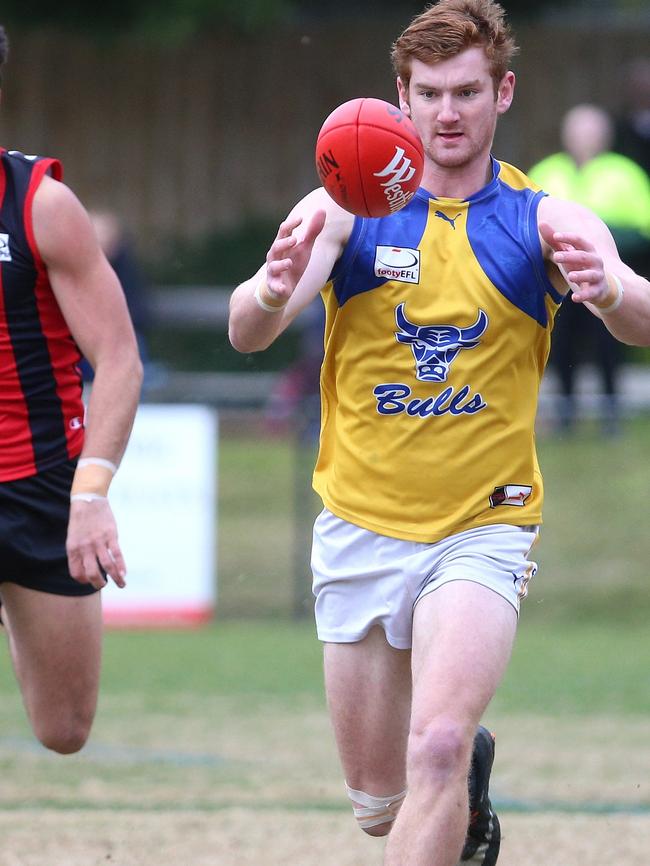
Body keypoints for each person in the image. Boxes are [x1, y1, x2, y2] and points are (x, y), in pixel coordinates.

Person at [228, 2, 650, 864]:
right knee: (382, 807)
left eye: (467, 91)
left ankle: (456, 769)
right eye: (429, 93)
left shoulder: (545, 219)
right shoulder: (343, 206)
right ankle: (468, 814)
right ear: (401, 98)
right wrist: (272, 290)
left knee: (437, 746)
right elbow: (247, 330)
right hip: (359, 522)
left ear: (504, 94)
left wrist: (606, 289)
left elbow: (641, 312)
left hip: (483, 523)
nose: (448, 112)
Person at [0, 27, 143, 754]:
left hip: (40, 483)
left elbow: (118, 359)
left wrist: (90, 496)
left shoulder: (42, 205)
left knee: (64, 729)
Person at [529, 103, 650, 435]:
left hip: (606, 270)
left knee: (607, 343)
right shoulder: (547, 171)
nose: (583, 138)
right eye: (578, 131)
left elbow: (643, 225)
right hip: (558, 276)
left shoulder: (624, 172)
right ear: (567, 135)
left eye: (590, 132)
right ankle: (566, 412)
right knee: (561, 343)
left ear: (603, 136)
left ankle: (612, 409)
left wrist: (603, 240)